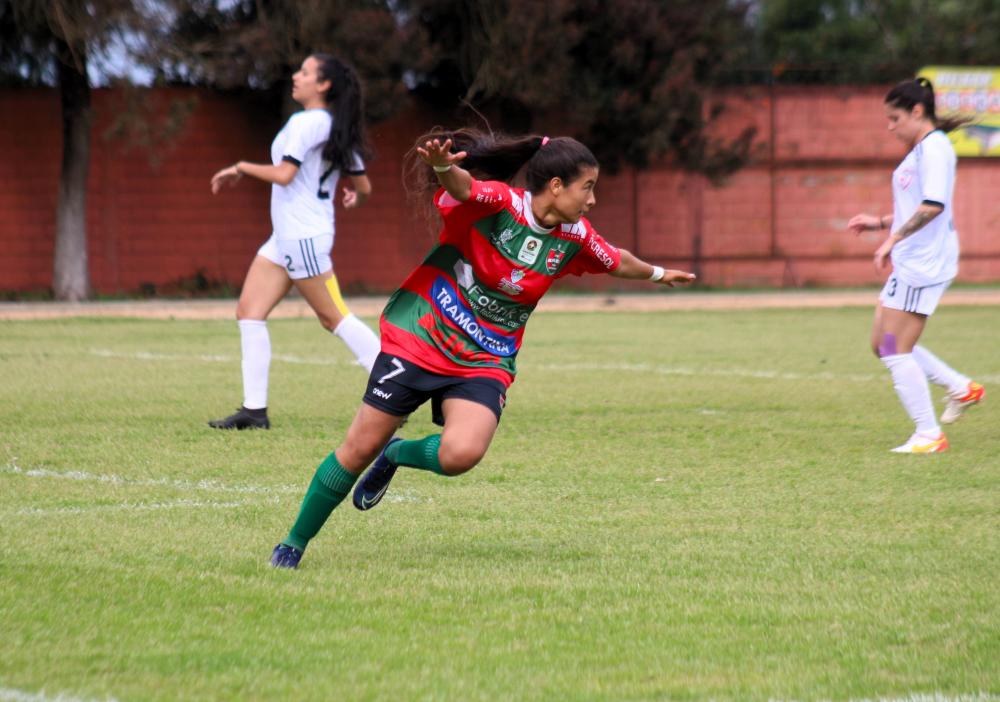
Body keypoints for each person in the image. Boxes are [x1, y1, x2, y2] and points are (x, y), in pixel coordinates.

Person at [269, 128, 697, 568]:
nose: (592, 200)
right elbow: (463, 186)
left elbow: (616, 258)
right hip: (424, 335)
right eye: (587, 187)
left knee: (461, 454)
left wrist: (659, 273)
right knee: (357, 448)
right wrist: (440, 165)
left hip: (486, 357)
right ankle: (294, 543)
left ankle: (396, 453)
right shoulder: (502, 203)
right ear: (555, 186)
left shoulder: (576, 236)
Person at [207, 54, 382, 430]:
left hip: (302, 237)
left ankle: (395, 389)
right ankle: (254, 412)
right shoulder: (336, 127)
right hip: (287, 237)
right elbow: (364, 186)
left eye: (305, 72)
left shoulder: (308, 122)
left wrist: (240, 167)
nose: (295, 76)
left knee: (333, 317)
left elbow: (285, 175)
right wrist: (355, 197)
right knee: (249, 312)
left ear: (324, 85)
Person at [847, 77, 984, 454]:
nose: (890, 127)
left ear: (917, 111)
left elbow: (933, 205)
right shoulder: (921, 151)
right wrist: (879, 223)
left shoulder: (935, 149)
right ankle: (960, 387)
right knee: (883, 344)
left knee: (895, 349)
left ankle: (928, 434)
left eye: (894, 118)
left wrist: (891, 240)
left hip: (923, 264)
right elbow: (916, 205)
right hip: (911, 262)